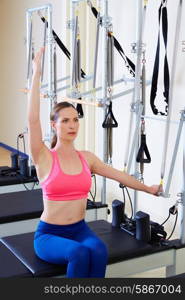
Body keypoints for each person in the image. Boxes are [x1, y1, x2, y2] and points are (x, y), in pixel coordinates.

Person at [28, 48, 161, 278]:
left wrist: (148, 189)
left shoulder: (86, 158)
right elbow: (32, 120)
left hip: (79, 229)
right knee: (78, 254)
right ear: (54, 126)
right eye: (66, 121)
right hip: (50, 234)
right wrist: (37, 73)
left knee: (98, 250)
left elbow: (119, 175)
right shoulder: (44, 156)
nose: (72, 125)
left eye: (76, 120)